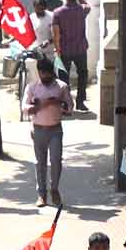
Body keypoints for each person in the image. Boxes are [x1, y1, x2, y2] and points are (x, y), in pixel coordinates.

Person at [22, 57, 72, 207]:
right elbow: (25, 109)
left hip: (55, 129)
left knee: (56, 161)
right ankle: (41, 194)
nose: (46, 77)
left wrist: (58, 102)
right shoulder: (32, 87)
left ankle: (54, 190)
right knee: (40, 163)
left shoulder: (61, 87)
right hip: (38, 129)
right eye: (43, 74)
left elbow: (69, 108)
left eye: (48, 75)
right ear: (39, 73)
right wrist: (40, 105)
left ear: (52, 73)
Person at [52, 0, 90, 110]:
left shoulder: (57, 13)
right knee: (83, 75)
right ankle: (80, 102)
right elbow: (88, 5)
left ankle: (66, 103)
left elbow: (56, 35)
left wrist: (57, 50)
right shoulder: (82, 9)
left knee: (63, 78)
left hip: (65, 49)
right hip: (80, 49)